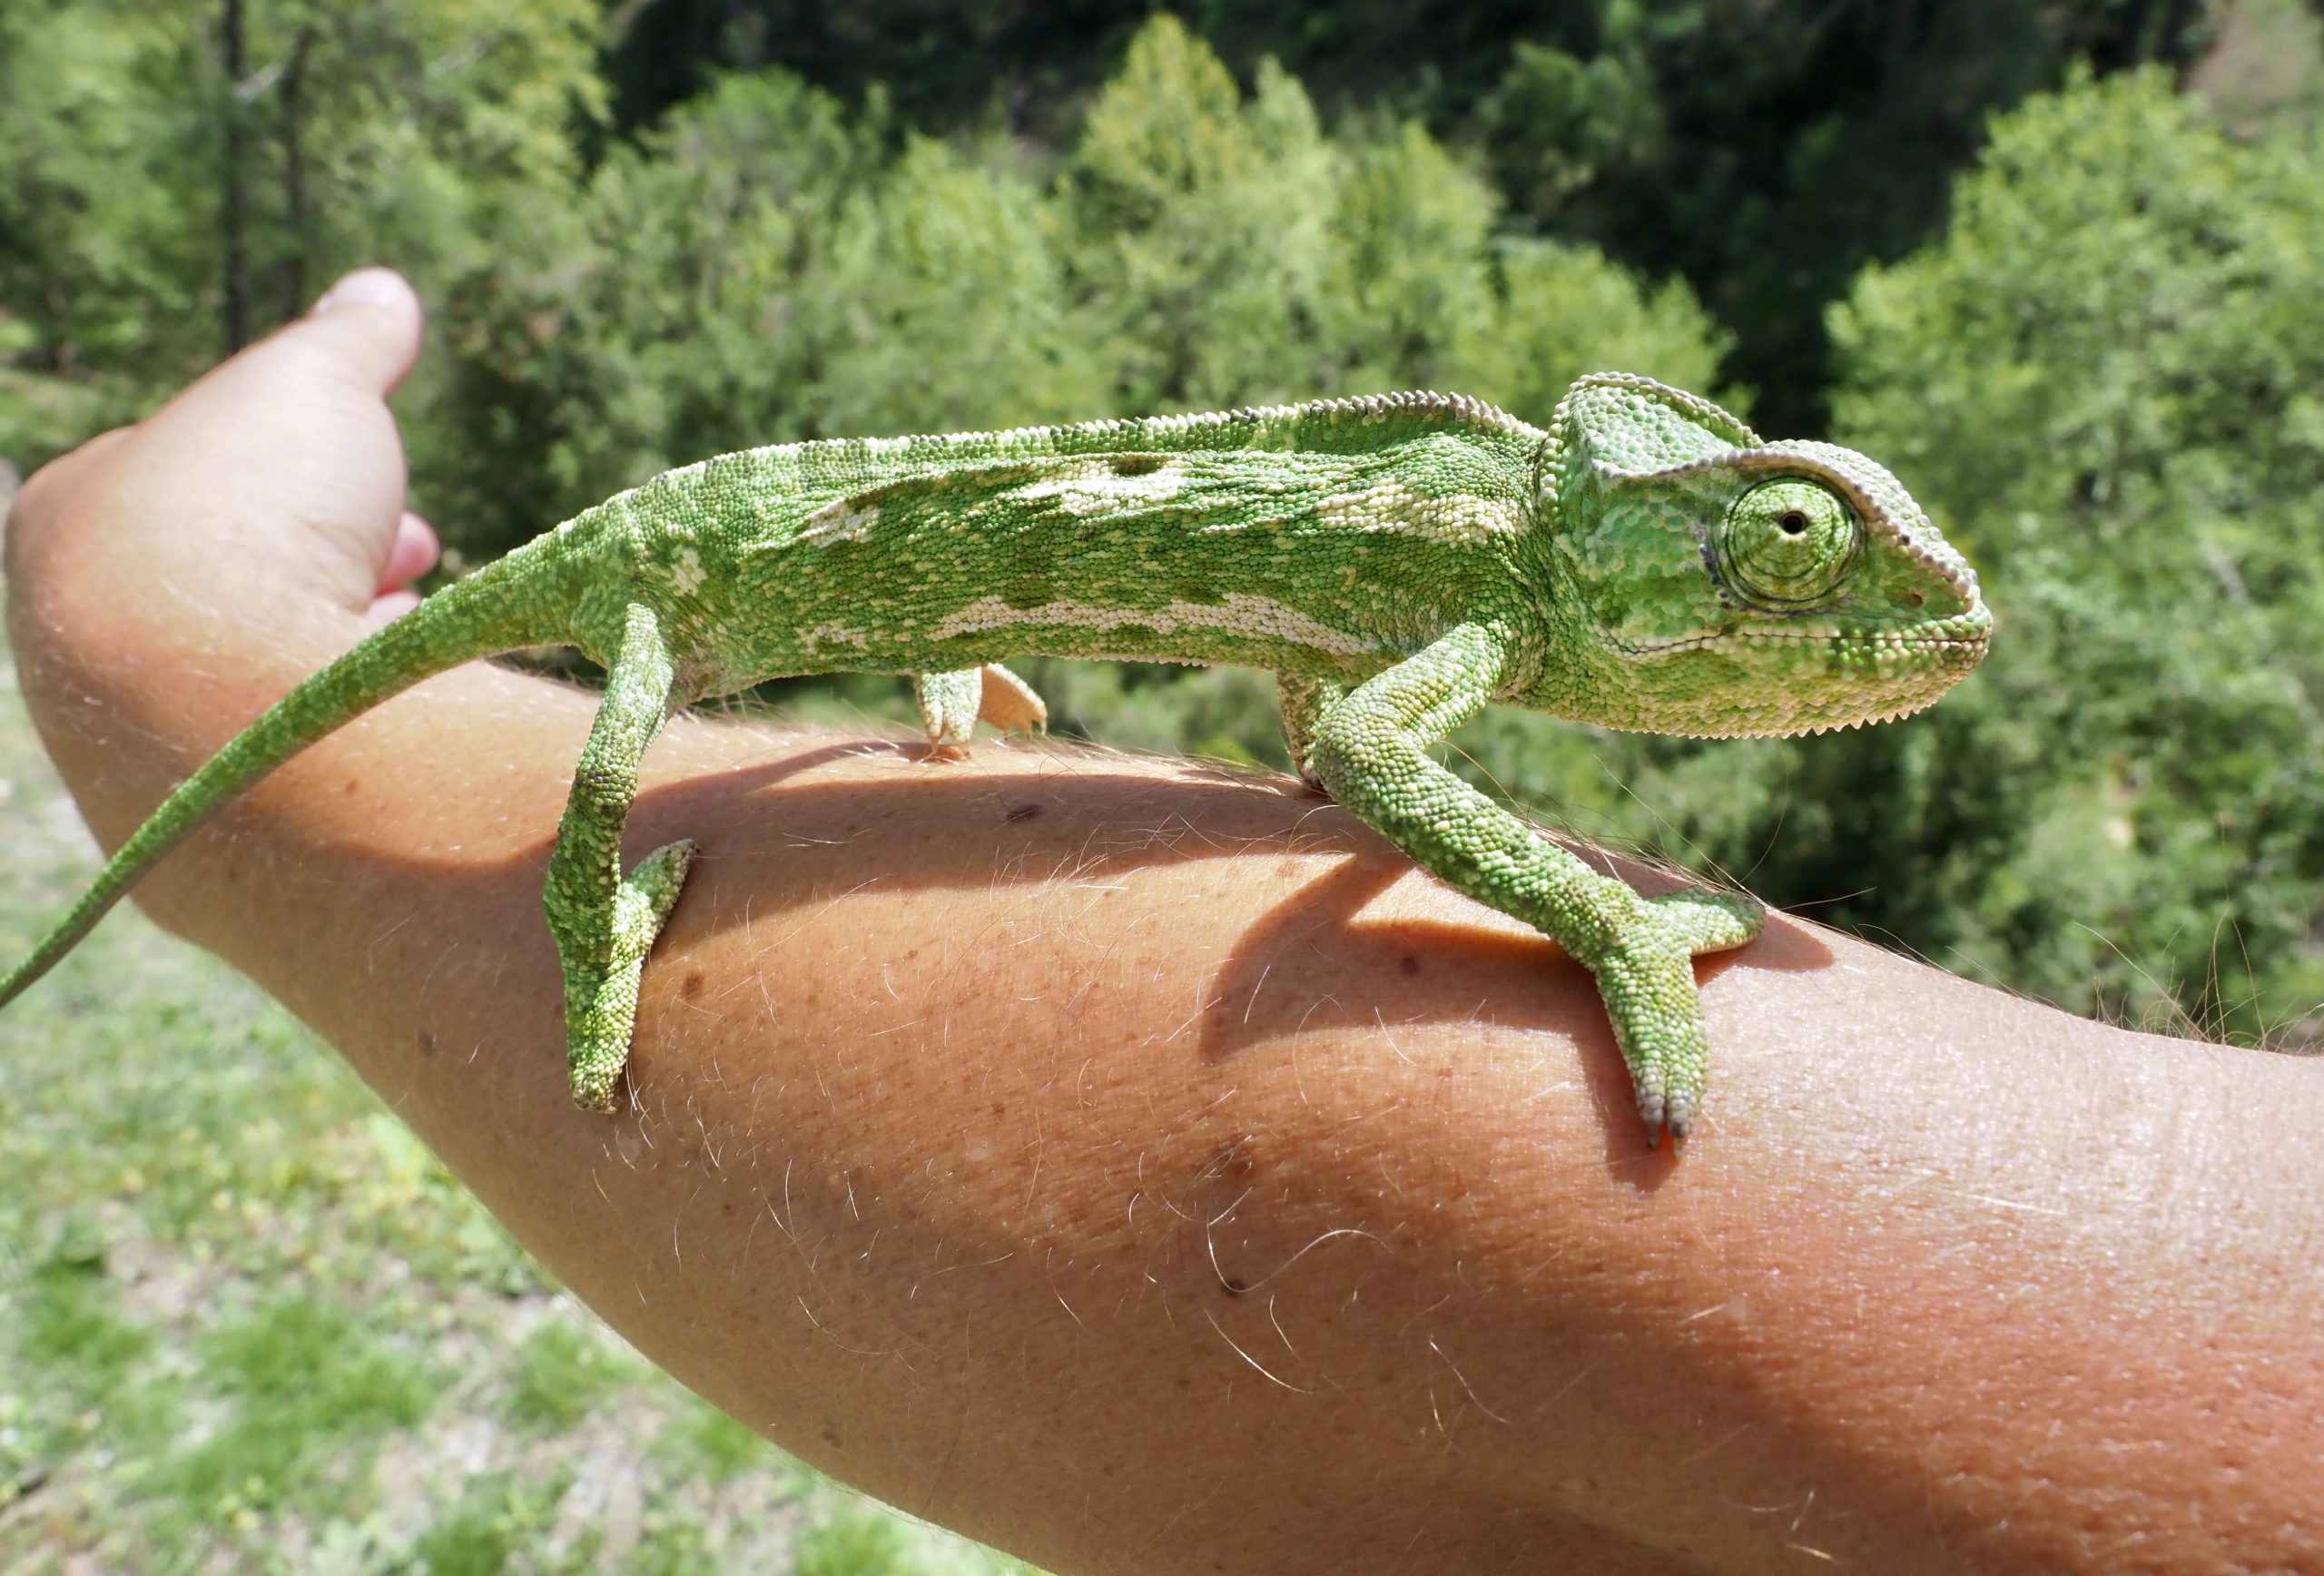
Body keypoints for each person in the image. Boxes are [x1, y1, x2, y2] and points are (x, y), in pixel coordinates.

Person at [6, 269, 2317, 1574]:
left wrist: (171, 617)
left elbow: (1220, 600)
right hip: (688, 570)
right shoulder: (1481, 588)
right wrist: (1602, 932)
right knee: (623, 746)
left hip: (800, 558)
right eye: (1763, 545)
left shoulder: (1475, 564)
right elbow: (1376, 762)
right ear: (1633, 526)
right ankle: (609, 925)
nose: (1775, 601)